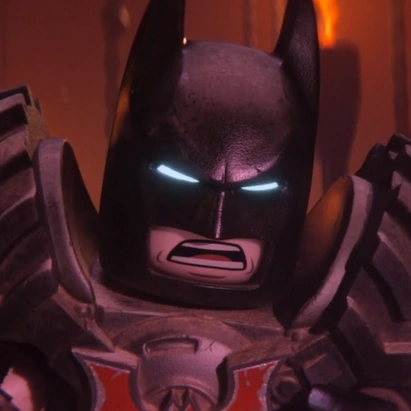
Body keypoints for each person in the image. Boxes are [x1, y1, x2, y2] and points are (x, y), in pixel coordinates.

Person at [0, 0, 409, 409]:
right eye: (178, 180)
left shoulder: (327, 338)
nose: (216, 225)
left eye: (259, 192)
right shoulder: (49, 302)